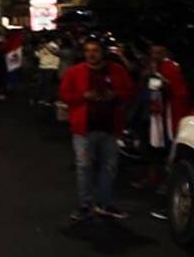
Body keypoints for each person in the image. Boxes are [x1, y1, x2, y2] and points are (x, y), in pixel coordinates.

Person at [59, 38, 135, 221]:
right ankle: (85, 205)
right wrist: (84, 96)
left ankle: (104, 203)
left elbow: (130, 91)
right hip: (84, 129)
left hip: (110, 128)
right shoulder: (75, 72)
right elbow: (64, 94)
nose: (91, 55)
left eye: (95, 51)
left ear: (103, 53)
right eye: (88, 51)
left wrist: (115, 95)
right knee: (84, 167)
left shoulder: (116, 71)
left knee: (108, 167)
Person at [137, 43, 190, 201]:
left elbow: (179, 92)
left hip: (166, 116)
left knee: (166, 150)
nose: (156, 55)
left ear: (165, 52)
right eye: (153, 52)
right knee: (150, 148)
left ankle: (167, 182)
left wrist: (165, 86)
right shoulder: (150, 68)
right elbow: (142, 89)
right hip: (151, 115)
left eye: (159, 52)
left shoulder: (172, 68)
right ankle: (152, 178)